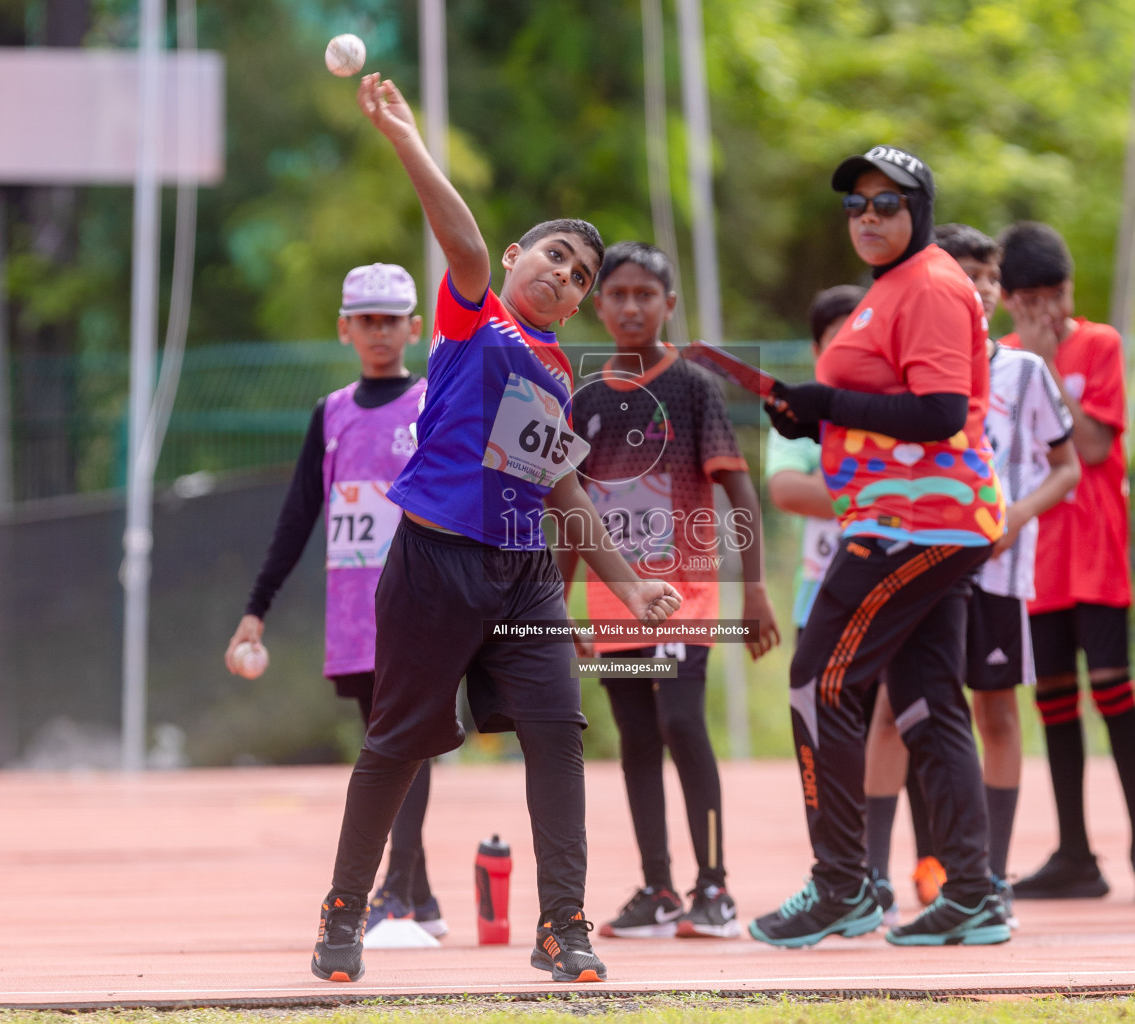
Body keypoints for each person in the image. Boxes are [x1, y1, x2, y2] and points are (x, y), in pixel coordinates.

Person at [311, 74, 682, 986]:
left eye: (581, 277)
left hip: (525, 579)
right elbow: (462, 240)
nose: (564, 276)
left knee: (558, 731)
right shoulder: (475, 318)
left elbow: (562, 488)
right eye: (554, 257)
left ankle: (563, 926)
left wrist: (629, 584)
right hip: (436, 561)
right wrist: (406, 140)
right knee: (397, 741)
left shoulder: (555, 373)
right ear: (520, 256)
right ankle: (343, 911)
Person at [749, 145, 1011, 948]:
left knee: (816, 682)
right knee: (930, 704)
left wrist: (827, 397)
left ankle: (842, 887)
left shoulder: (929, 282)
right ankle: (971, 894)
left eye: (886, 203)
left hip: (915, 526)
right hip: (915, 521)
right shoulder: (891, 289)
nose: (868, 218)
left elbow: (938, 413)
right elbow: (889, 400)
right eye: (855, 206)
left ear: (920, 211)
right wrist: (813, 415)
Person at [563, 242, 779, 941]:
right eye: (617, 294)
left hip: (686, 595)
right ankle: (657, 887)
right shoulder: (585, 402)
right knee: (633, 737)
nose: (630, 307)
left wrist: (754, 590)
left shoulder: (693, 389)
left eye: (644, 295)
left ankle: (712, 886)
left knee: (681, 722)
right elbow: (569, 510)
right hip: (613, 603)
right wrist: (554, 607)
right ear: (598, 305)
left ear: (669, 305)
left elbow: (740, 491)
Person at [863, 224, 1079, 919]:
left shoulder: (1024, 371)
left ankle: (990, 875)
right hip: (921, 570)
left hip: (994, 574)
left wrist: (1012, 517)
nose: (980, 289)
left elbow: (1067, 468)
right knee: (897, 712)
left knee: (996, 711)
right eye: (966, 274)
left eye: (989, 277)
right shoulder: (906, 368)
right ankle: (871, 876)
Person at [226, 263, 445, 935]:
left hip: (422, 603)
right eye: (366, 320)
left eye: (392, 320)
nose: (380, 333)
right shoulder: (332, 413)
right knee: (384, 745)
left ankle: (400, 894)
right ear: (345, 328)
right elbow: (299, 517)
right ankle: (421, 896)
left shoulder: (433, 402)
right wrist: (256, 608)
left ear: (415, 327)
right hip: (354, 614)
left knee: (403, 744)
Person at [997, 222, 1135, 901]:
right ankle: (1075, 853)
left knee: (1113, 692)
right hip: (1035, 557)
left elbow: (1093, 447)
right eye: (1032, 298)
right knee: (1054, 702)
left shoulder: (1099, 344)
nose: (1048, 311)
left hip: (1095, 554)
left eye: (1057, 294)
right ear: (1010, 299)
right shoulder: (1001, 357)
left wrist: (1048, 370)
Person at [766, 285, 866, 643]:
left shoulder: (898, 413)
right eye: (839, 341)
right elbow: (786, 490)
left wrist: (822, 483)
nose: (852, 352)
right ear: (816, 351)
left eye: (862, 338)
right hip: (818, 600)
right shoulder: (800, 414)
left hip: (885, 602)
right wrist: (875, 490)